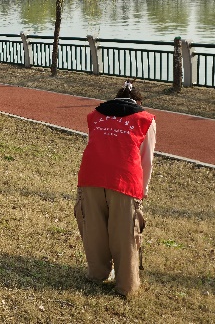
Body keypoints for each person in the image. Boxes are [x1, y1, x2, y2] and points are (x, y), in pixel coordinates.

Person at [74, 80, 157, 297]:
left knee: (94, 230)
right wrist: (143, 189)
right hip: (124, 181)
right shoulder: (145, 120)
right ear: (138, 102)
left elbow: (94, 143)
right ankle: (126, 285)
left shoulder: (95, 116)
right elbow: (146, 159)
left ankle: (97, 273)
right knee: (125, 236)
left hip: (90, 176)